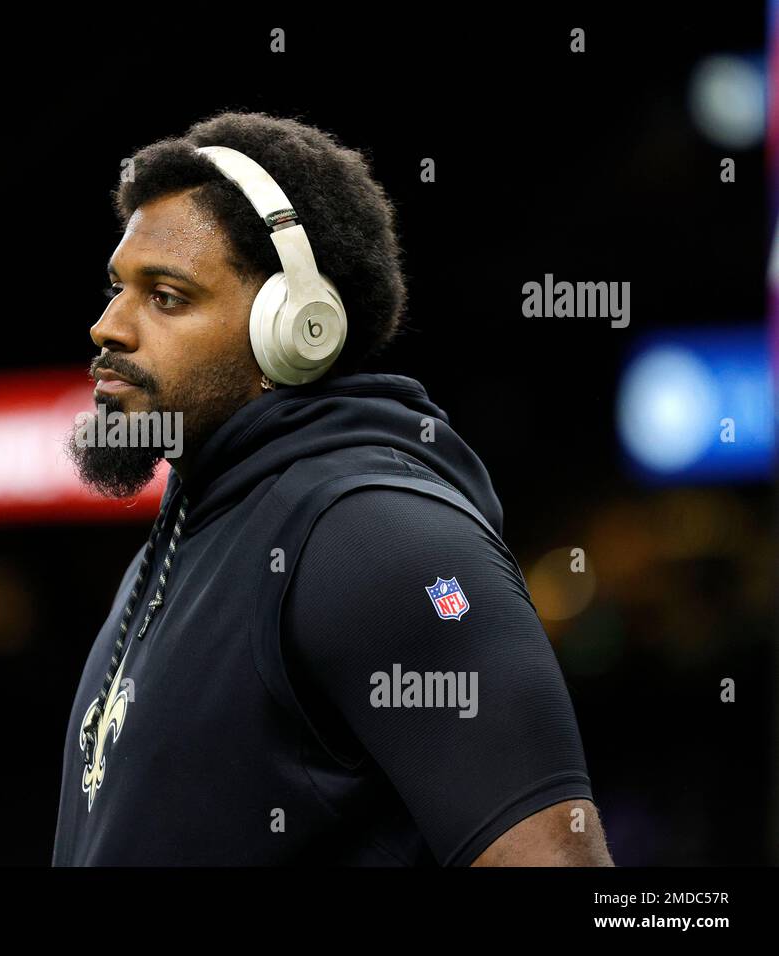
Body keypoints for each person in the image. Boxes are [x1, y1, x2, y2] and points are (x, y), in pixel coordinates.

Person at [54, 111, 612, 866]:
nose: (107, 327)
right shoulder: (191, 531)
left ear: (295, 328)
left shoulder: (376, 536)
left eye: (167, 296)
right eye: (118, 287)